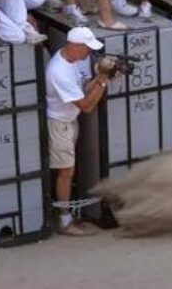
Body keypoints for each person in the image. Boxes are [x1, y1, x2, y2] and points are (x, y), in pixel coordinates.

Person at [45, 26, 116, 236]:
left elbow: (82, 90)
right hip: (59, 124)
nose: (89, 53)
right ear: (74, 46)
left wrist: (98, 78)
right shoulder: (59, 71)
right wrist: (102, 81)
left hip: (68, 121)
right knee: (65, 172)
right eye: (87, 48)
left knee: (67, 170)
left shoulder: (74, 60)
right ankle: (64, 221)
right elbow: (86, 106)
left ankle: (64, 214)